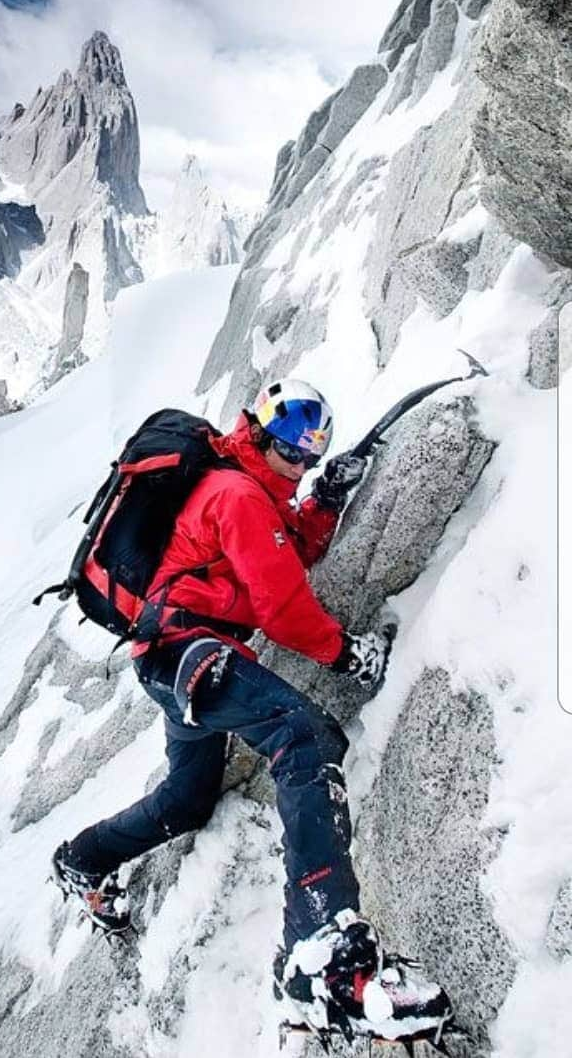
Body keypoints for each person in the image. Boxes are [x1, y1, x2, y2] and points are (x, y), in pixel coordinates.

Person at [51, 379, 452, 1046]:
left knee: (187, 800)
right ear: (261, 432)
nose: (303, 459)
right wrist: (347, 654)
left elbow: (283, 556)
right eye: (294, 446)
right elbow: (282, 607)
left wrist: (323, 502)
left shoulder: (246, 489)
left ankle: (82, 858)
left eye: (313, 449)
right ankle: (320, 954)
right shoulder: (237, 494)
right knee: (305, 737)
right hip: (192, 655)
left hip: (173, 661)